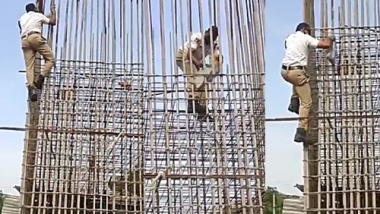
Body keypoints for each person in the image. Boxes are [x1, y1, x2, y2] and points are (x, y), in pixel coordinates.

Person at [281, 22, 334, 143]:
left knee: (298, 78)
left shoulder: (290, 38)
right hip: (296, 73)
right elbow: (324, 45)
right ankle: (301, 131)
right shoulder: (305, 37)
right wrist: (330, 39)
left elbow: (288, 46)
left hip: (284, 71)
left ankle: (294, 102)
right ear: (305, 30)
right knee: (306, 102)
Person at [175, 26, 222, 122]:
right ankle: (192, 102)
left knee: (203, 83)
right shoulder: (197, 37)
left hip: (196, 61)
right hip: (184, 57)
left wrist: (214, 66)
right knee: (194, 77)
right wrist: (197, 63)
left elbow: (217, 58)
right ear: (206, 33)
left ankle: (203, 110)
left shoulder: (214, 45)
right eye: (208, 37)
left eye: (212, 39)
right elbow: (189, 54)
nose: (209, 40)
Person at [18, 3, 56, 102]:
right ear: (35, 9)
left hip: (24, 40)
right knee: (50, 59)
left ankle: (31, 87)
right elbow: (52, 22)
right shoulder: (38, 15)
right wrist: (53, 12)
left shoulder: (22, 18)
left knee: (29, 66)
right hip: (35, 37)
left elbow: (20, 27)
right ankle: (41, 76)